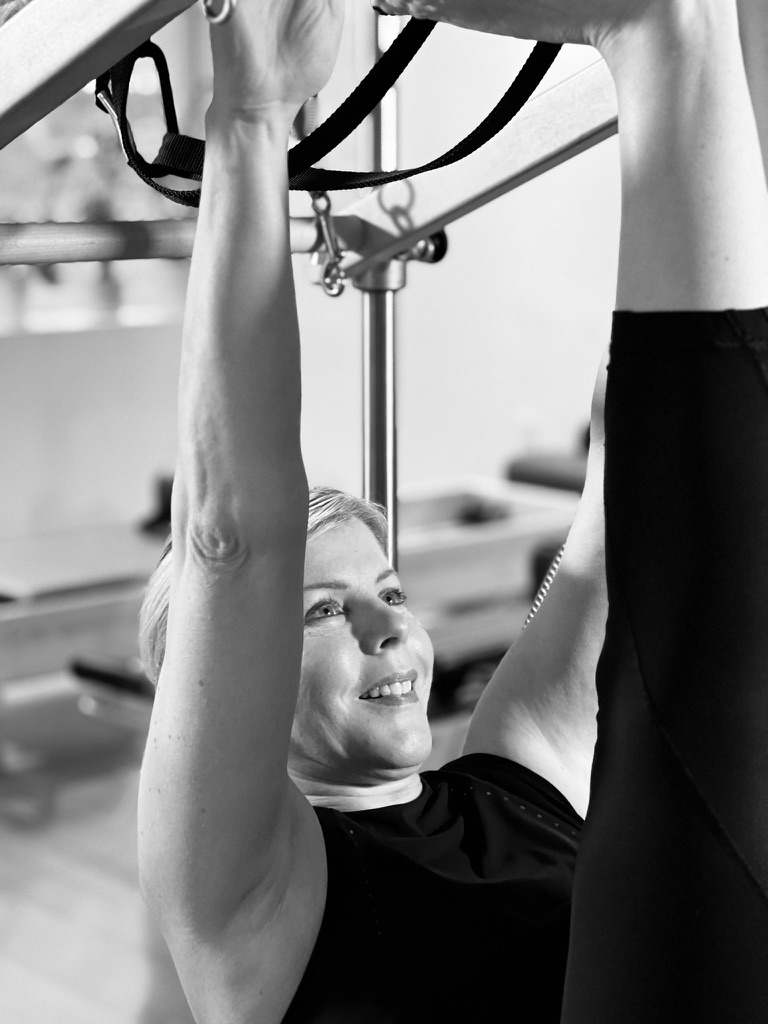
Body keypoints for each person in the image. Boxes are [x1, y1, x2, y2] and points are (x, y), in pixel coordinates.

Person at [136, 0, 768, 1021]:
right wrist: (250, 118)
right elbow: (234, 544)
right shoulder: (249, 905)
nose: (390, 626)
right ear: (225, 694)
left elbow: (634, 516)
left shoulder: (515, 777)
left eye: (386, 590)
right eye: (323, 610)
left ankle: (667, 38)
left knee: (699, 531)